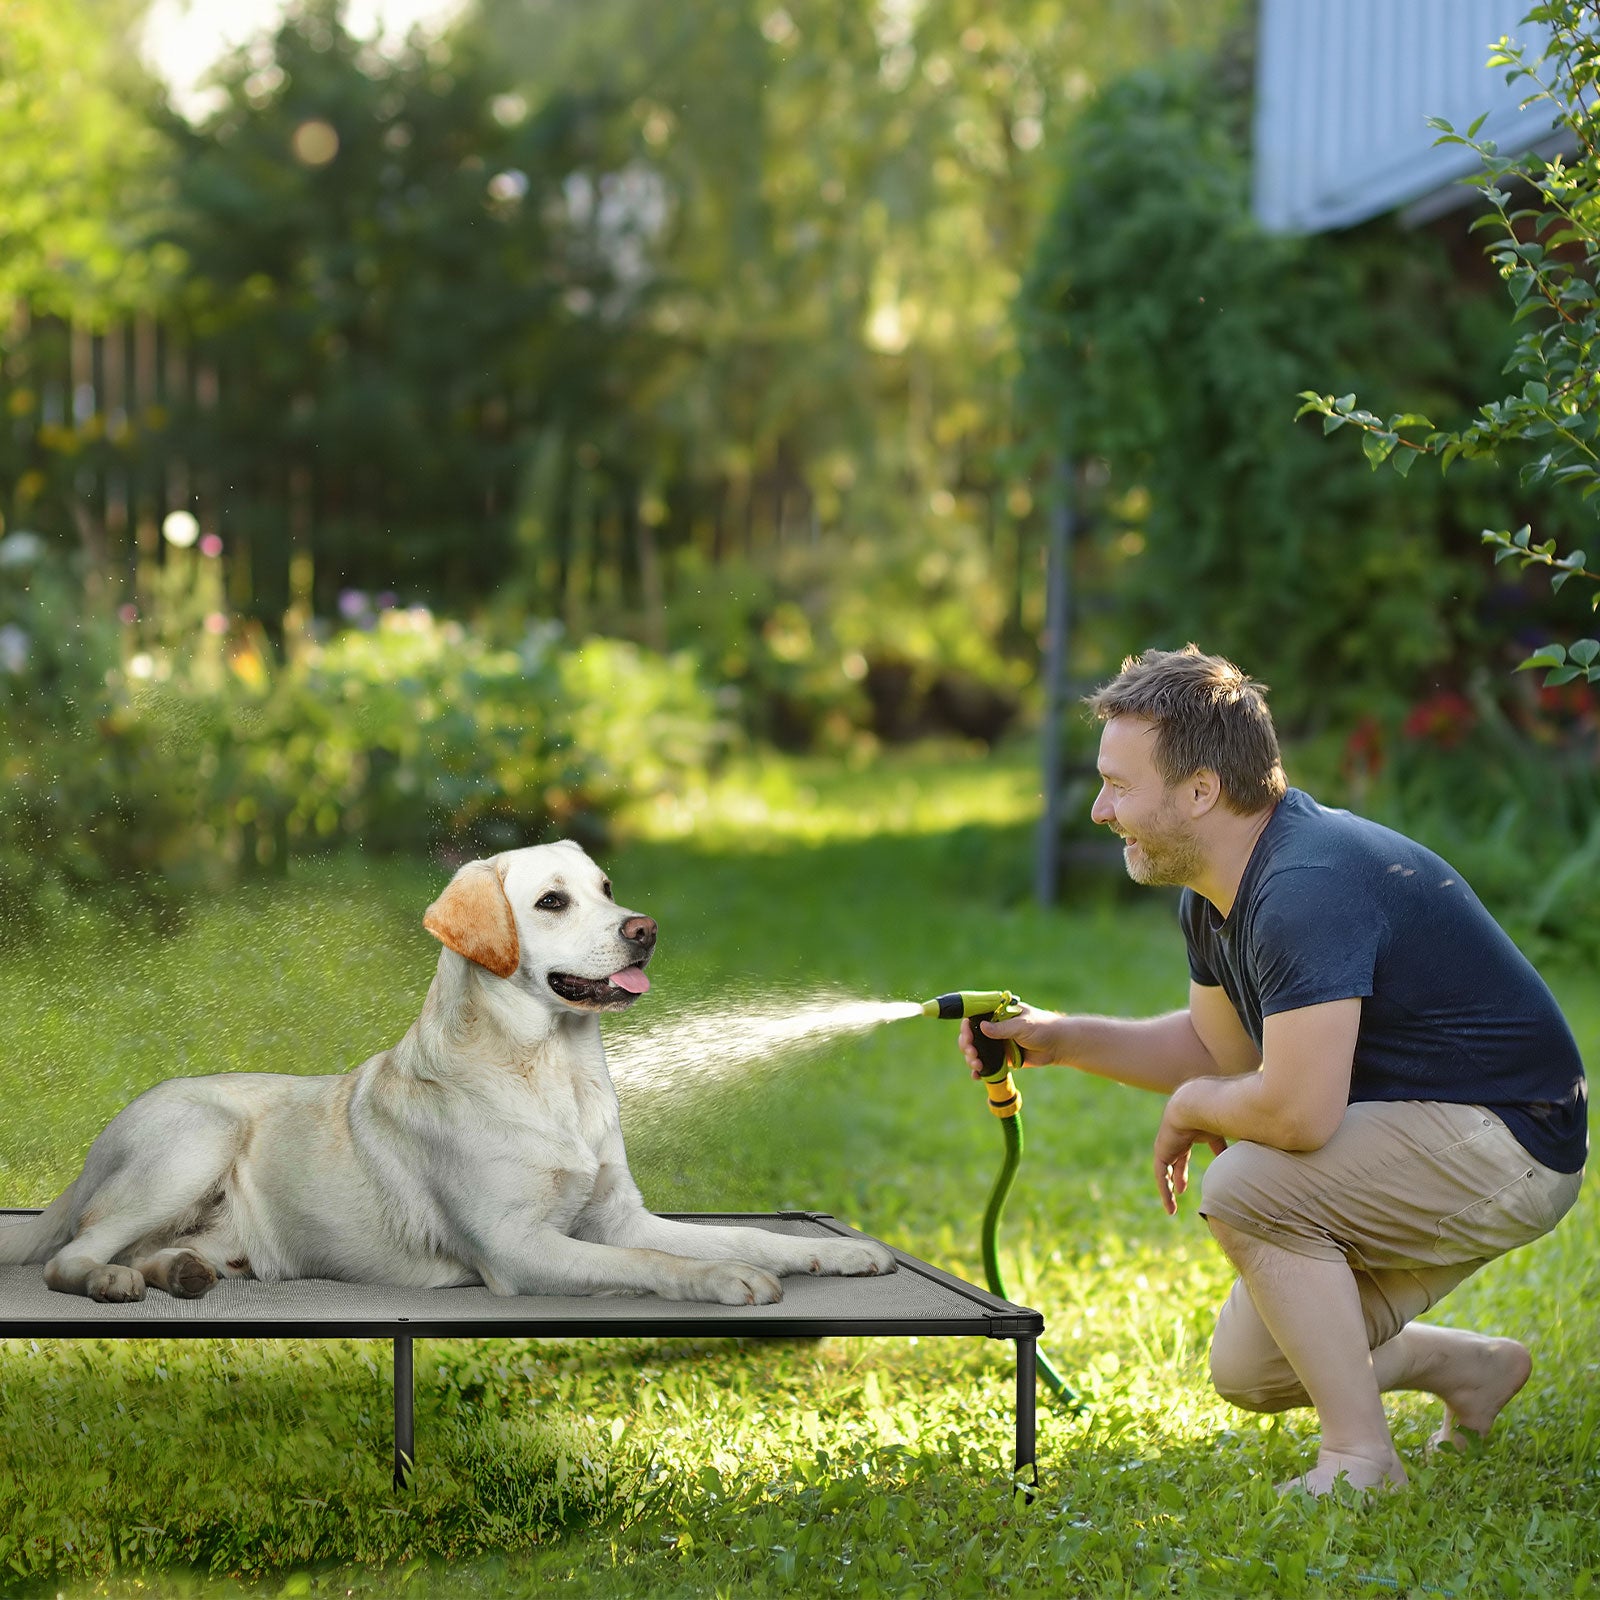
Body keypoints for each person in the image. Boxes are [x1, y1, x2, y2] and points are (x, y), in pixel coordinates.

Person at [963, 645, 1587, 1495]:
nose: (1102, 810)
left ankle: (1360, 1459)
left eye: (1118, 785)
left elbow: (1296, 1113)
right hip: (1433, 1134)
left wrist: (1193, 1108)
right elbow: (1225, 1054)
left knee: (1248, 1185)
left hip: (1512, 1137)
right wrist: (1060, 1039)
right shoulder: (1217, 892)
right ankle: (1470, 1371)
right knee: (1253, 1369)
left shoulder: (1303, 886)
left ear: (1200, 791)